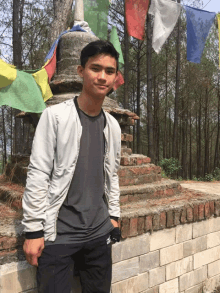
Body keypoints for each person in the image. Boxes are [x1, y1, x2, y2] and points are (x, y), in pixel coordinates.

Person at [22, 40, 122, 293]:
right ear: (81, 71)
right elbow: (38, 173)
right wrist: (33, 230)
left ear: (115, 77)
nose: (102, 77)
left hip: (100, 234)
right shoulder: (55, 117)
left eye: (109, 71)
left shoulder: (112, 125)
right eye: (95, 68)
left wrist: (114, 216)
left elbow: (112, 175)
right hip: (59, 236)